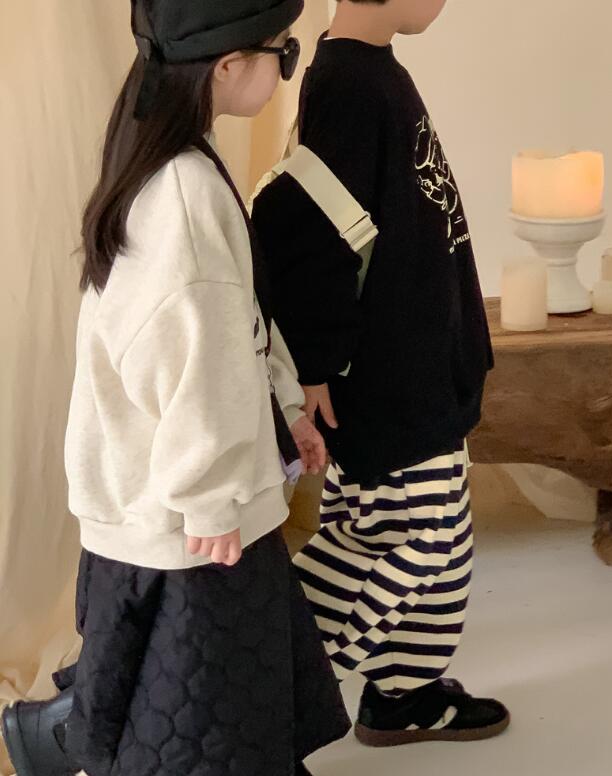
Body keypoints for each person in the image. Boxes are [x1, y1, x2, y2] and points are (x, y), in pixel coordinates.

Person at [0, 2, 349, 775]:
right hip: (192, 530)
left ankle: (54, 733)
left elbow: (238, 329)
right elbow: (194, 358)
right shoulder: (186, 190)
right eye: (283, 53)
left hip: (178, 510)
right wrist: (213, 492)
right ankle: (55, 735)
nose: (286, 69)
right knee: (204, 731)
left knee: (186, 711)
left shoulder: (168, 160)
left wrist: (285, 413)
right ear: (227, 66)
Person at [251, 0, 510, 747]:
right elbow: (301, 230)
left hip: (415, 370)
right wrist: (317, 364)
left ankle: (404, 694)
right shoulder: (348, 86)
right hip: (388, 381)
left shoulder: (368, 72)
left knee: (418, 534)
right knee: (415, 535)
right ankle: (270, 698)